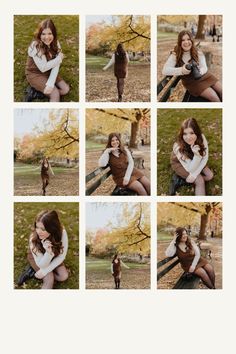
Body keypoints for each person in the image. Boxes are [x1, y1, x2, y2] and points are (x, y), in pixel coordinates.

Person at [162, 30, 222, 102]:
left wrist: (200, 71)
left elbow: (204, 67)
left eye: (188, 39)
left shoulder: (197, 51)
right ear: (179, 42)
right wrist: (182, 70)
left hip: (206, 76)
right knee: (214, 97)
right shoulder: (175, 54)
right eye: (183, 40)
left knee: (222, 91)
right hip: (192, 82)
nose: (186, 42)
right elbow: (165, 70)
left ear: (191, 41)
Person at [17, 210, 68, 289]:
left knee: (63, 276)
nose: (39, 232)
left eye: (43, 229)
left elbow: (61, 257)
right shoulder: (33, 239)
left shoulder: (62, 233)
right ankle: (34, 270)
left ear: (52, 228)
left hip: (54, 256)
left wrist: (45, 271)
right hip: (38, 258)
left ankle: (35, 272)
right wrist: (48, 253)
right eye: (37, 227)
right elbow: (42, 264)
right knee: (49, 279)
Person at [25, 18, 70, 102]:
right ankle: (38, 90)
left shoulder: (56, 43)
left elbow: (56, 65)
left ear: (54, 33)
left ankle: (37, 93)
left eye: (50, 33)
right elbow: (43, 67)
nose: (47, 37)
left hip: (48, 71)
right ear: (39, 34)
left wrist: (51, 82)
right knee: (55, 94)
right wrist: (59, 58)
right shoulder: (35, 46)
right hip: (35, 73)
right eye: (43, 34)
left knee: (65, 90)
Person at [170, 118, 213, 195]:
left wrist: (194, 173)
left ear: (197, 132)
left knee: (210, 176)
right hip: (180, 164)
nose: (188, 137)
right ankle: (181, 179)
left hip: (194, 159)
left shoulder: (201, 138)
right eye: (185, 134)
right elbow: (190, 168)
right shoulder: (177, 147)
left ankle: (185, 181)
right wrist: (194, 174)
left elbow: (205, 158)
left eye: (192, 133)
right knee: (200, 181)